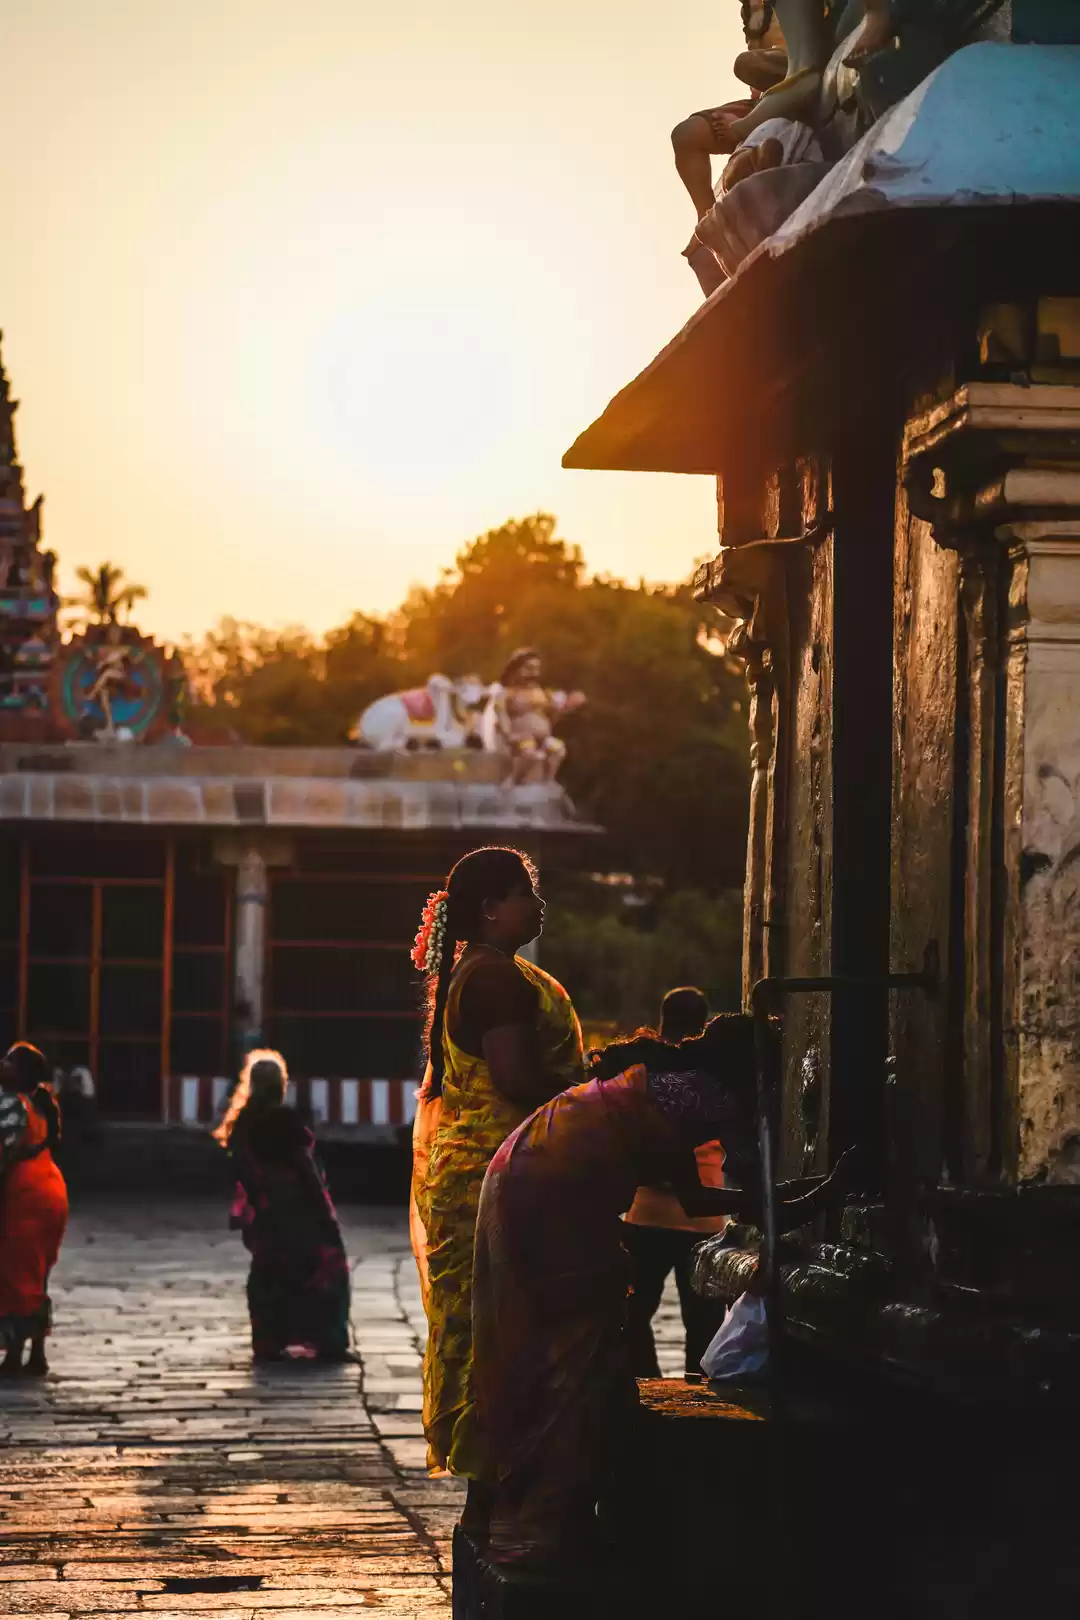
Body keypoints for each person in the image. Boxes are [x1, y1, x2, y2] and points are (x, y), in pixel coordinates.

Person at [471, 1015, 853, 1566]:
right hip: (550, 1194)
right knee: (572, 1358)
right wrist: (824, 1195)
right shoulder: (712, 1096)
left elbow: (738, 1197)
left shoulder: (673, 1087)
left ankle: (527, 1517)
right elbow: (719, 1200)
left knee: (552, 1348)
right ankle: (540, 1529)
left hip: (524, 1170)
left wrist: (816, 1194)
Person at [411, 845, 584, 1526]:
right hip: (495, 1171)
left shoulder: (483, 972)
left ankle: (493, 1483)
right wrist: (592, 1093)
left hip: (479, 1168)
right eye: (524, 892)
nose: (537, 904)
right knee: (501, 1329)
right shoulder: (494, 980)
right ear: (489, 909)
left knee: (485, 1325)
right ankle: (496, 1483)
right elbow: (514, 1080)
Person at [214, 1049, 352, 1364]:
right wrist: (324, 1210)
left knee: (271, 1275)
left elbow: (241, 1172)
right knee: (326, 1270)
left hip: (263, 1213)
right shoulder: (283, 1120)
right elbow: (305, 1167)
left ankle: (269, 1341)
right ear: (280, 1083)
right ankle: (327, 1341)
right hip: (298, 1211)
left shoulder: (240, 1125)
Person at [622, 987, 729, 1377]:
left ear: (661, 1021)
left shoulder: (647, 1069)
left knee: (630, 1316)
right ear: (704, 1024)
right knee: (703, 1325)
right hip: (703, 1221)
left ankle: (646, 1387)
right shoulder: (716, 1072)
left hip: (646, 1214)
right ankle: (696, 1400)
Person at [0, 1043, 69, 1377]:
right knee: (37, 1275)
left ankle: (13, 1355)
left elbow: (5, 1153)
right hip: (51, 1188)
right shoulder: (45, 1103)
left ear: (21, 1071)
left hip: (23, 1193)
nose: (3, 1064)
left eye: (9, 1061)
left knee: (15, 1275)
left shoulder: (14, 1104)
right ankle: (37, 1354)